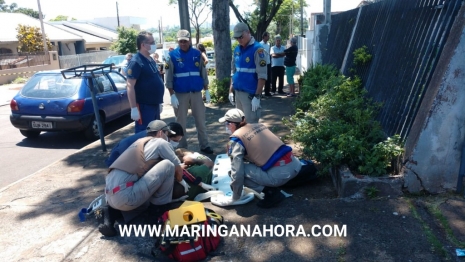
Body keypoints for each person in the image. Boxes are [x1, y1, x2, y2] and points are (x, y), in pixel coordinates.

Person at [99, 120, 187, 237]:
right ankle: (158, 216)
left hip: (109, 196)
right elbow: (177, 168)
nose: (168, 138)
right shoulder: (160, 142)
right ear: (161, 133)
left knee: (146, 200)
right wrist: (183, 184)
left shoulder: (138, 143)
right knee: (168, 166)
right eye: (167, 134)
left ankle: (111, 213)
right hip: (125, 196)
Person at [218, 108, 301, 208]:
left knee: (234, 172)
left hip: (281, 175)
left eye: (226, 123)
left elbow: (237, 172)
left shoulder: (235, 140)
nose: (226, 126)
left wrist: (235, 196)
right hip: (295, 166)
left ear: (231, 124)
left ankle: (271, 193)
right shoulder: (258, 125)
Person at [165, 29, 213, 154]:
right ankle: (182, 147)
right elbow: (168, 77)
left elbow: (203, 73)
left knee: (201, 121)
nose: (183, 43)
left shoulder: (197, 54)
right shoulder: (172, 55)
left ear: (189, 40)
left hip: (196, 93)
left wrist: (206, 90)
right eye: (180, 41)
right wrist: (172, 95)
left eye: (185, 41)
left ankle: (204, 145)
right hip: (180, 94)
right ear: (178, 41)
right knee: (180, 123)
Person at [126, 31, 164, 133]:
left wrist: (158, 102)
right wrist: (133, 108)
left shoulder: (150, 59)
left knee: (156, 133)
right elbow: (130, 85)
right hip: (144, 107)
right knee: (145, 134)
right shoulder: (136, 62)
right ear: (143, 45)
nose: (154, 44)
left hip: (154, 104)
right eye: (151, 42)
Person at [229, 22, 267, 124]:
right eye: (237, 38)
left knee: (251, 126)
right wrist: (230, 90)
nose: (239, 40)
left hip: (250, 95)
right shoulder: (237, 49)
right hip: (238, 93)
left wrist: (257, 96)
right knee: (240, 124)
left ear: (248, 33)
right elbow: (234, 72)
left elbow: (262, 75)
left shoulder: (258, 49)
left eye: (241, 37)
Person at [105, 121, 185, 168]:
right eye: (174, 140)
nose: (176, 144)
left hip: (121, 154)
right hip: (118, 159)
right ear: (163, 133)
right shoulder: (154, 141)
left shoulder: (154, 133)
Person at [259, 32, 272, 97]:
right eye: (267, 36)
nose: (268, 37)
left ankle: (267, 91)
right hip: (262, 63)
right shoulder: (260, 44)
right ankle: (260, 92)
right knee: (262, 77)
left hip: (268, 62)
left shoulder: (268, 44)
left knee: (268, 78)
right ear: (264, 37)